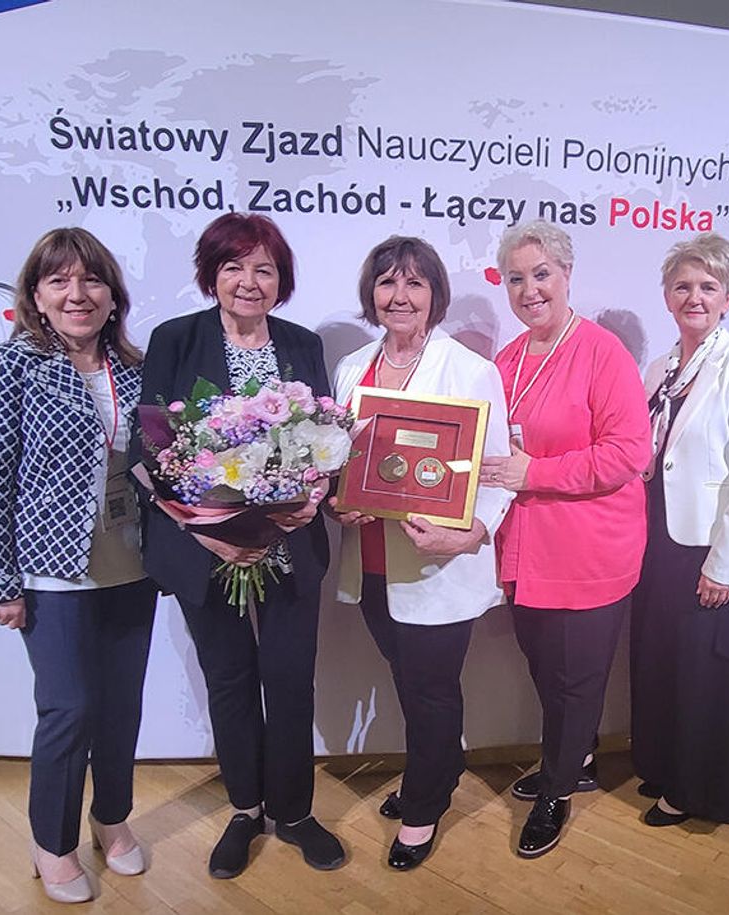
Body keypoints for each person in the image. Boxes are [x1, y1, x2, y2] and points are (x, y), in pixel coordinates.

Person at [138, 213, 344, 876]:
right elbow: (153, 447)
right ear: (212, 275)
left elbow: (325, 437)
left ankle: (295, 812)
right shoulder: (175, 340)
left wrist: (313, 494)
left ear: (281, 280)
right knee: (228, 680)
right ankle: (245, 809)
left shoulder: (302, 343)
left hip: (290, 542)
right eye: (234, 267)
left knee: (290, 680)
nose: (248, 282)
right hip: (206, 550)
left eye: (264, 269)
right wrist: (209, 531)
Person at [0, 227, 155, 904]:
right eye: (59, 280)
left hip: (131, 567)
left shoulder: (136, 368)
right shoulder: (9, 366)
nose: (78, 293)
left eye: (91, 279)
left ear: (112, 295)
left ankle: (112, 817)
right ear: (36, 296)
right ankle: (52, 841)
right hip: (51, 572)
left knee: (122, 706)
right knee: (69, 708)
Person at [330, 237, 515, 871]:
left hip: (439, 561)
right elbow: (342, 462)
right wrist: (337, 503)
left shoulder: (469, 369)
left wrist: (475, 532)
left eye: (414, 283)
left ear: (435, 295)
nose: (399, 296)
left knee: (432, 689)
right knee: (406, 680)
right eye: (387, 282)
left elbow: (496, 472)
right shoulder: (352, 368)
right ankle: (436, 768)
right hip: (371, 560)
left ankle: (425, 804)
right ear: (371, 293)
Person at [480, 220, 652, 858]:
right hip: (527, 550)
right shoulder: (507, 360)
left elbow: (628, 453)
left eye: (541, 274)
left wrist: (536, 473)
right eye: (516, 278)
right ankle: (572, 759)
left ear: (567, 275)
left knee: (576, 681)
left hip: (588, 552)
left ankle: (556, 791)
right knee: (546, 672)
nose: (529, 290)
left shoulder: (602, 352)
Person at [630, 232, 729, 829]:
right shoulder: (660, 367)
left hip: (712, 545)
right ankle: (663, 766)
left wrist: (725, 564)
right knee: (662, 663)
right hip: (658, 540)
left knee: (705, 674)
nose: (694, 297)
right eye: (682, 286)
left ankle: (699, 791)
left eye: (708, 287)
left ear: (728, 298)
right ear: (667, 296)